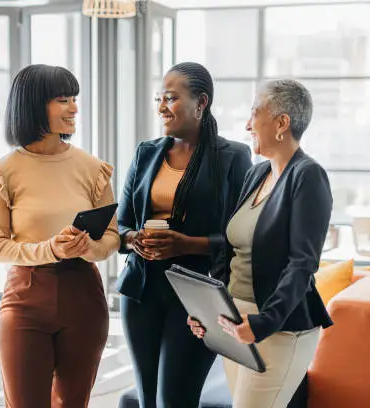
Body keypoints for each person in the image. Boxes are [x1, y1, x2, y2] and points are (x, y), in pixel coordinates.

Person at [188, 79, 334, 408]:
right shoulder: (257, 174)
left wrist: (264, 322)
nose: (246, 124)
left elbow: (302, 264)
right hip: (237, 322)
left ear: (282, 123)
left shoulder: (308, 176)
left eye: (255, 113)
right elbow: (230, 252)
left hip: (276, 327)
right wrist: (211, 312)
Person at [0, 64, 119, 408]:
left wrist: (91, 246)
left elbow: (113, 238)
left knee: (74, 403)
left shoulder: (93, 168)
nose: (74, 108)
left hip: (83, 295)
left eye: (74, 98)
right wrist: (49, 249)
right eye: (63, 100)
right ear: (32, 105)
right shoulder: (3, 171)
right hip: (25, 298)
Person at [117, 62, 253, 407]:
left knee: (175, 399)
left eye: (171, 98)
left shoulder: (233, 157)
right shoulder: (146, 153)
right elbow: (120, 225)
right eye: (158, 98)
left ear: (201, 102)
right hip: (140, 290)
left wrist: (185, 244)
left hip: (197, 296)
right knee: (147, 398)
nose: (161, 106)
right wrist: (134, 239)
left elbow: (242, 238)